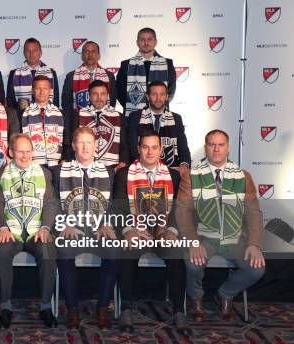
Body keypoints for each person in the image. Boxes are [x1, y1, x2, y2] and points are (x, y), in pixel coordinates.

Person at [176, 129, 265, 322]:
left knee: (256, 269)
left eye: (221, 144)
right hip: (202, 236)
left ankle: (224, 294)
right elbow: (183, 212)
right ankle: (196, 298)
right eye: (212, 144)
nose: (216, 149)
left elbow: (253, 213)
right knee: (193, 263)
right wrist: (192, 241)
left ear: (228, 148)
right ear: (205, 148)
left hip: (234, 237)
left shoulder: (243, 176)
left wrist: (254, 244)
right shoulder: (191, 175)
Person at [111, 130, 191, 335]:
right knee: (127, 251)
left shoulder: (173, 175)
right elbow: (119, 207)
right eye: (145, 147)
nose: (149, 152)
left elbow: (178, 209)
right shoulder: (124, 173)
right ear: (138, 149)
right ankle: (126, 308)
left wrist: (172, 231)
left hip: (163, 231)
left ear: (161, 150)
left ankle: (179, 311)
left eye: (154, 147)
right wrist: (127, 230)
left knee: (176, 254)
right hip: (136, 230)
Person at [50, 127, 117, 330]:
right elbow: (53, 203)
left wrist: (107, 222)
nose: (85, 147)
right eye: (81, 142)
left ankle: (102, 308)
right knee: (64, 251)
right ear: (73, 146)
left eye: (89, 142)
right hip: (73, 229)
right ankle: (72, 309)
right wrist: (64, 223)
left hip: (98, 229)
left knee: (114, 251)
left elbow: (114, 203)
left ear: (96, 146)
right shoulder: (60, 171)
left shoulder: (109, 171)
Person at [0, 133, 59, 329]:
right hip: (10, 231)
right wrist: (2, 227)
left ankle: (46, 307)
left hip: (36, 231)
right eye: (20, 152)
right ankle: (6, 307)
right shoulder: (0, 174)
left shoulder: (45, 173)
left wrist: (46, 227)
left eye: (28, 151)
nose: (25, 156)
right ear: (11, 152)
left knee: (47, 251)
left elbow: (50, 203)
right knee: (1, 251)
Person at [127, 81, 191, 191]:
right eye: (154, 94)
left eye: (162, 94)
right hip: (142, 168)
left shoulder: (176, 118)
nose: (158, 98)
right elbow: (132, 148)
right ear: (147, 96)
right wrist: (147, 167)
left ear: (167, 97)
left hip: (171, 170)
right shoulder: (135, 117)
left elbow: (183, 148)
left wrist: (184, 164)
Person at [116, 28, 176, 117]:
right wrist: (133, 106)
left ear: (155, 42)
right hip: (134, 117)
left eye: (149, 39)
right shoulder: (126, 65)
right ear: (137, 43)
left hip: (160, 116)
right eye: (142, 40)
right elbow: (120, 92)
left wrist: (157, 105)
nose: (146, 43)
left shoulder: (167, 64)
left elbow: (170, 90)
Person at [77, 80, 128, 171]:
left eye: (103, 94)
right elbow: (74, 143)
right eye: (95, 94)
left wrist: (122, 163)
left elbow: (124, 144)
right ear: (89, 96)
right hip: (84, 167)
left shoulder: (119, 116)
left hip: (112, 168)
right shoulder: (78, 115)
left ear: (108, 96)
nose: (99, 98)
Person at [7, 38, 59, 124]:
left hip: (47, 120)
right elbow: (11, 103)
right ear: (24, 53)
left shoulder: (51, 73)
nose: (31, 54)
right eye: (28, 51)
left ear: (40, 52)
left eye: (35, 50)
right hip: (22, 121)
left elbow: (55, 101)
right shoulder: (14, 74)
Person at [21, 75, 64, 167]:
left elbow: (65, 139)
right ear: (32, 91)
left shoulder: (60, 113)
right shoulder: (24, 114)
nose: (41, 92)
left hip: (56, 162)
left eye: (45, 88)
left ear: (50, 91)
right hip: (32, 163)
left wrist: (64, 158)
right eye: (38, 88)